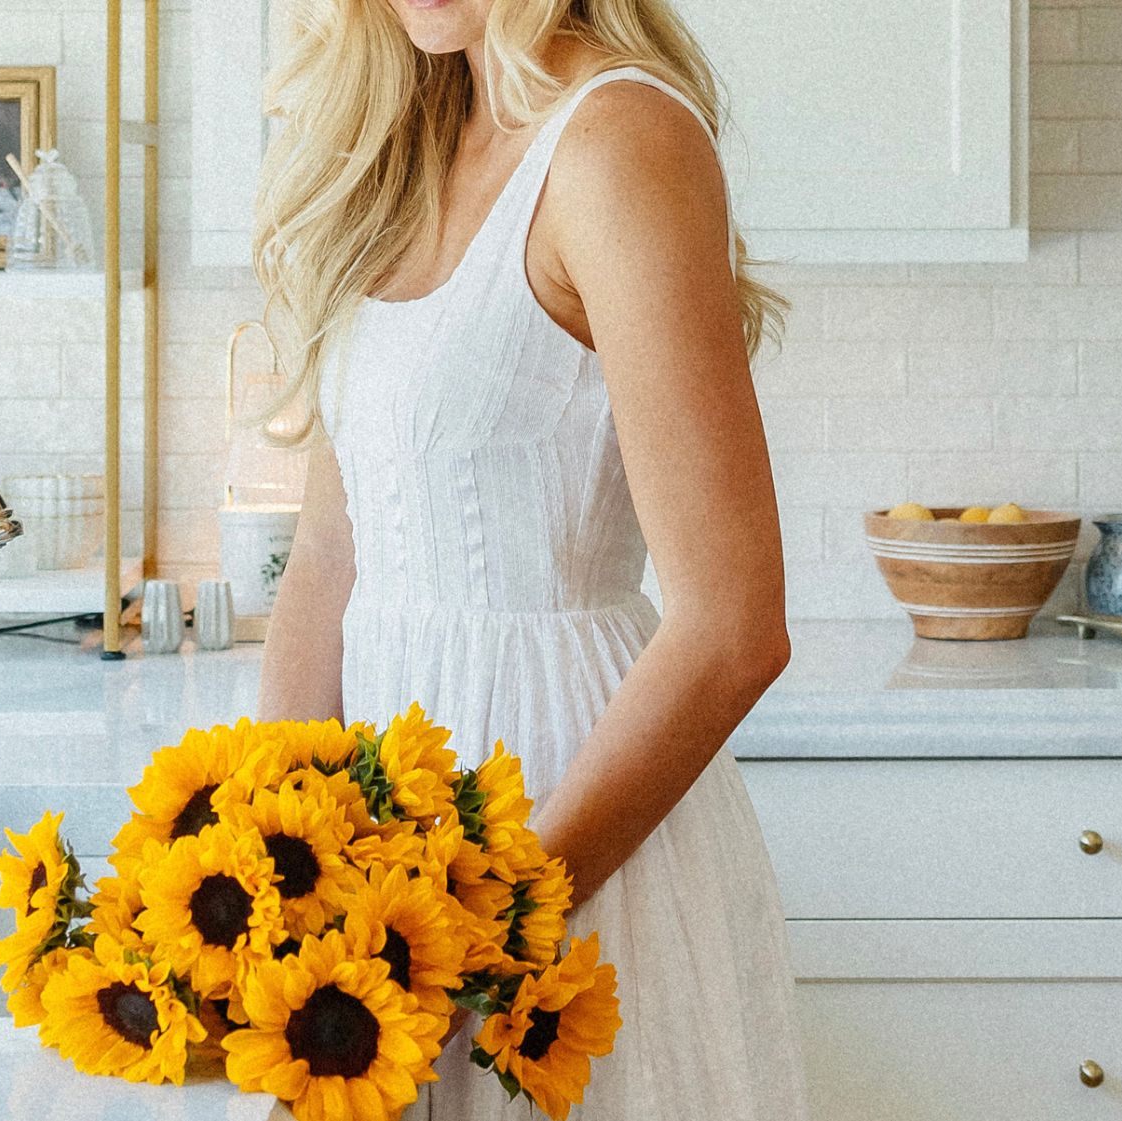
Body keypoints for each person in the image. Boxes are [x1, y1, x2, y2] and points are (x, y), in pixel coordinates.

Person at [249, 0, 805, 1117]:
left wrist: (488, 923)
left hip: (565, 841)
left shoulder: (617, 140)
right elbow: (324, 559)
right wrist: (265, 859)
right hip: (375, 864)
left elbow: (732, 625)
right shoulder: (395, 146)